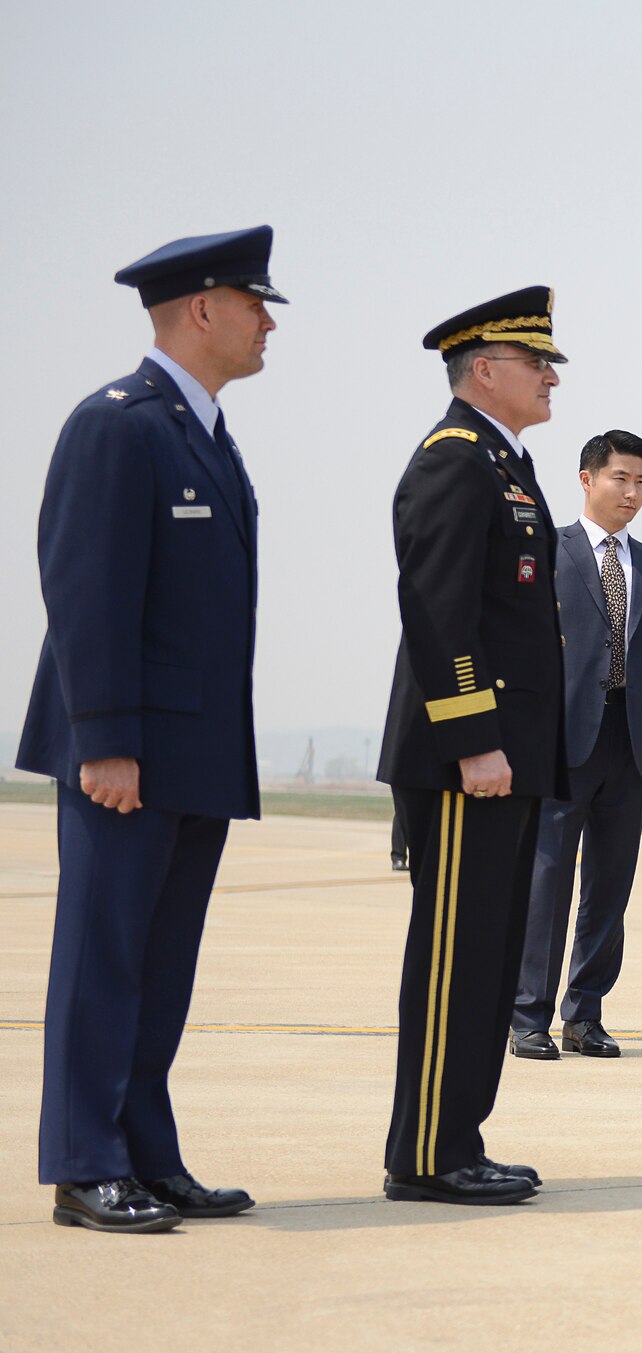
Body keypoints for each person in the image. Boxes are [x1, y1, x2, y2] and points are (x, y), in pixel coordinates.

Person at [18, 226, 284, 1233]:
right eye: (255, 303)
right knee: (103, 958)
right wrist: (104, 740)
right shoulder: (119, 424)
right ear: (203, 309)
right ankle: (85, 1162)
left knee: (161, 965)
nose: (268, 322)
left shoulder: (201, 431)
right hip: (127, 752)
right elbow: (83, 590)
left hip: (196, 748)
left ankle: (145, 1151)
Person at [376, 287, 571, 1205]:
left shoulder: (506, 461)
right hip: (470, 762)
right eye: (538, 362)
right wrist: (473, 741)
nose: (552, 374)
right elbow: (439, 611)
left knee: (490, 958)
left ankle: (460, 1136)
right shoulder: (456, 461)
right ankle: (425, 1151)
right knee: (457, 956)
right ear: (484, 368)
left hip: (510, 756)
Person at [511, 429, 642, 1061]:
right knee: (547, 880)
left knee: (610, 888)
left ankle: (584, 1014)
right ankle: (527, 1014)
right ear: (587, 479)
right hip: (560, 744)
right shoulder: (546, 552)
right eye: (621, 478)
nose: (632, 492)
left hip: (633, 745)